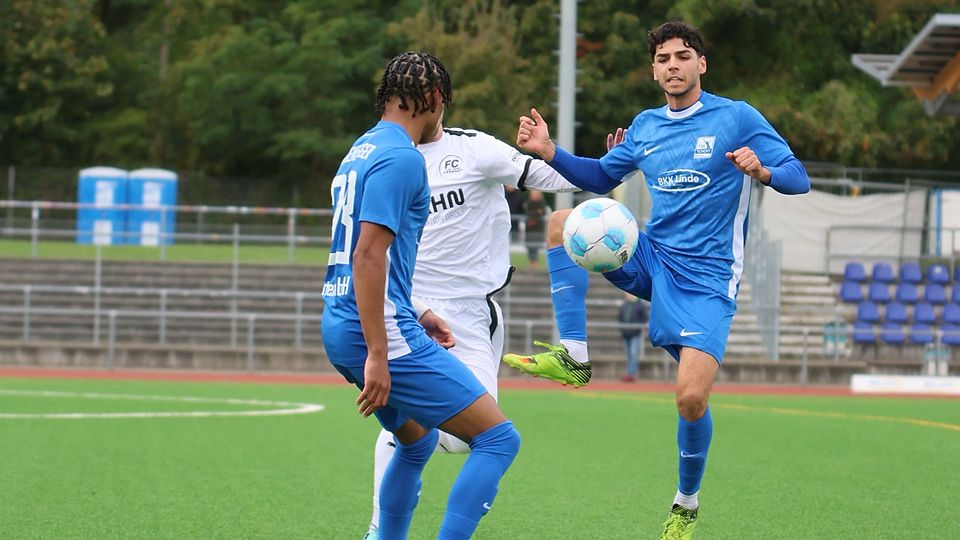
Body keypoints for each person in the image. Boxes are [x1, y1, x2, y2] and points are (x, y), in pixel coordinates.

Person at [502, 21, 810, 539]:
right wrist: (550, 151)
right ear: (653, 69)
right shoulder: (645, 126)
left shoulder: (737, 118)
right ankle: (574, 355)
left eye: (683, 56)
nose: (673, 65)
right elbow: (600, 176)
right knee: (561, 223)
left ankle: (685, 503)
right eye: (663, 58)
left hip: (709, 279)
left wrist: (763, 172)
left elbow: (798, 176)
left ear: (701, 64)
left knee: (690, 399)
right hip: (652, 256)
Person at [321, 51, 521, 540]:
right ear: (434, 99)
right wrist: (379, 353)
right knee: (498, 439)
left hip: (339, 320)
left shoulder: (359, 151)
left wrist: (418, 310)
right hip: (378, 330)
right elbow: (369, 256)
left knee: (415, 441)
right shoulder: (404, 159)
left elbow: (357, 256)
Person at [363, 108, 579, 540]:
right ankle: (379, 529)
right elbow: (370, 251)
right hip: (409, 312)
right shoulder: (386, 158)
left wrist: (588, 160)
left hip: (472, 315)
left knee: (464, 436)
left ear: (438, 101)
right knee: (418, 435)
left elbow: (560, 180)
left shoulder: (475, 148)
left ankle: (399, 490)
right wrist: (413, 307)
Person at [619, 293, 649, 382]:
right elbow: (620, 317)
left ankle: (632, 375)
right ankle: (629, 373)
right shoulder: (624, 304)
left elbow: (644, 318)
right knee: (628, 355)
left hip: (635, 334)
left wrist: (637, 328)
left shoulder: (640, 305)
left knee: (633, 354)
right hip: (626, 334)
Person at [523, 189, 548, 268]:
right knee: (530, 248)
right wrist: (536, 213)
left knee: (536, 248)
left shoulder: (542, 203)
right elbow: (528, 212)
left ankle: (535, 265)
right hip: (529, 230)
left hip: (538, 231)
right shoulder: (528, 202)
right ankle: (532, 264)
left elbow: (542, 212)